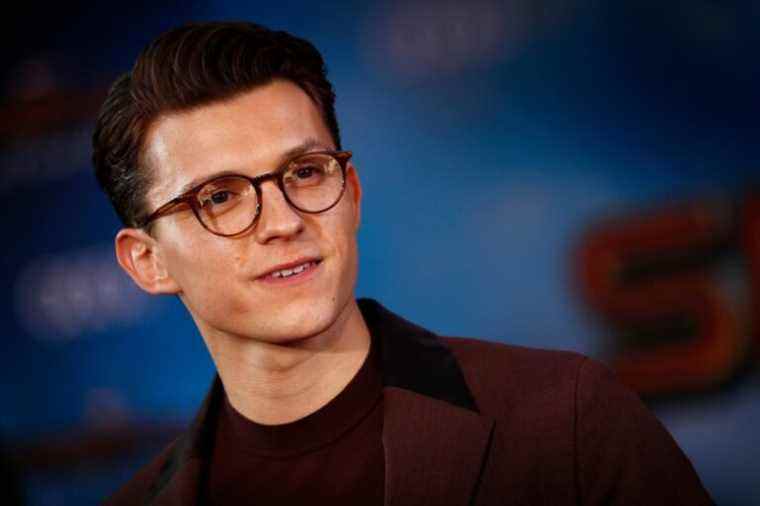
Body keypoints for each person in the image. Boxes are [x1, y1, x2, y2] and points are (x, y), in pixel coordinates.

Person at [93, 21, 713, 505]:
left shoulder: (567, 421)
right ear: (147, 262)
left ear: (353, 192)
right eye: (219, 197)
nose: (283, 221)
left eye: (305, 173)